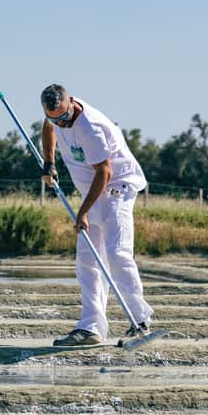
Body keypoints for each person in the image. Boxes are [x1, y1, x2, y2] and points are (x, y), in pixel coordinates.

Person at [40, 84, 154, 346]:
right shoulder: (55, 117)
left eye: (64, 117)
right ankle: (91, 327)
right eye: (54, 118)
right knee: (87, 260)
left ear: (71, 104)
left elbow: (105, 173)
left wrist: (83, 212)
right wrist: (49, 164)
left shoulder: (90, 128)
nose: (61, 123)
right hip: (92, 190)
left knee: (116, 253)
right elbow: (48, 128)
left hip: (117, 187)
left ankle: (140, 319)